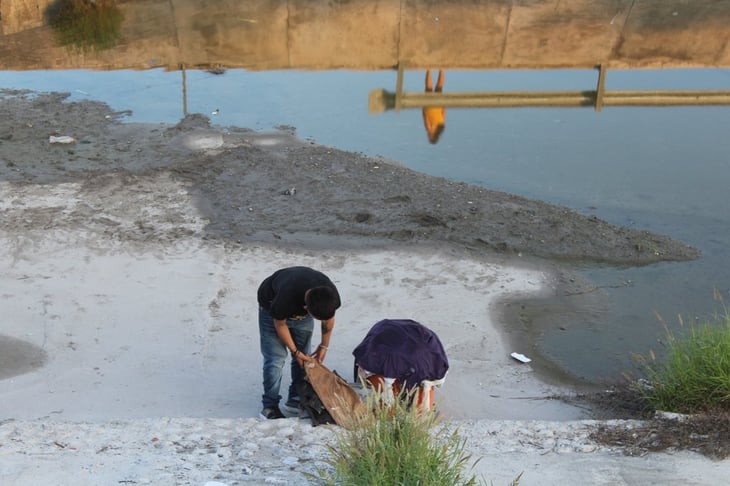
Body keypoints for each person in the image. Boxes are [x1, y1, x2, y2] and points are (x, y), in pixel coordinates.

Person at [257, 266, 341, 419]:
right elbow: (280, 324)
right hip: (272, 311)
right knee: (275, 359)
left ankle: (295, 398)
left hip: (301, 311)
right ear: (305, 308)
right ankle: (269, 406)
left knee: (305, 357)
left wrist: (324, 346)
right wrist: (295, 352)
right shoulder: (285, 298)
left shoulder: (330, 296)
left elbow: (328, 321)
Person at [422, 69, 446, 144]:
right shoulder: (429, 128)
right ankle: (429, 70)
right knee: (428, 88)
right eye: (429, 138)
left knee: (439, 87)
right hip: (429, 107)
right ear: (432, 136)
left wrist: (444, 105)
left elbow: (444, 113)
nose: (428, 137)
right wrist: (423, 108)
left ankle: (441, 70)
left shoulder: (441, 127)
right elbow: (425, 117)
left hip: (439, 106)